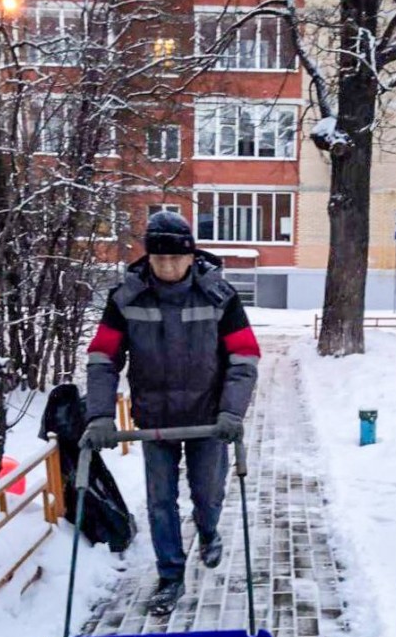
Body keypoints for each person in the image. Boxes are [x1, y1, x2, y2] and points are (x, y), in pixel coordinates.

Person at [81, 210, 261, 614]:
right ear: (149, 257)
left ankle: (209, 529)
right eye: (158, 259)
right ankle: (170, 577)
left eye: (174, 259)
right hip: (154, 421)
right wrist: (100, 416)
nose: (166, 266)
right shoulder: (126, 298)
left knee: (207, 493)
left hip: (208, 420)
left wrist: (232, 412)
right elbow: (103, 358)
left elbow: (244, 355)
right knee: (160, 501)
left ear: (190, 256)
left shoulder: (220, 296)